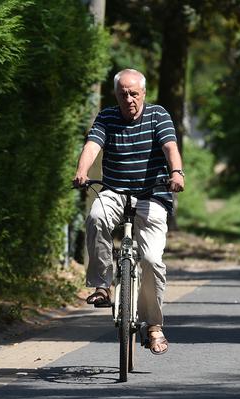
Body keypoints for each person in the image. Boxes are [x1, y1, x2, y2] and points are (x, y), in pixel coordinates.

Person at [73, 68, 184, 355]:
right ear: (116, 96)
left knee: (150, 260)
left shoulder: (158, 115)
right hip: (115, 192)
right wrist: (82, 171)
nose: (129, 99)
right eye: (123, 94)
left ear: (143, 93)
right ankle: (101, 286)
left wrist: (176, 172)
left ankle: (154, 326)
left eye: (134, 93)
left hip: (152, 196)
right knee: (96, 216)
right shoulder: (107, 117)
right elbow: (92, 145)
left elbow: (170, 146)